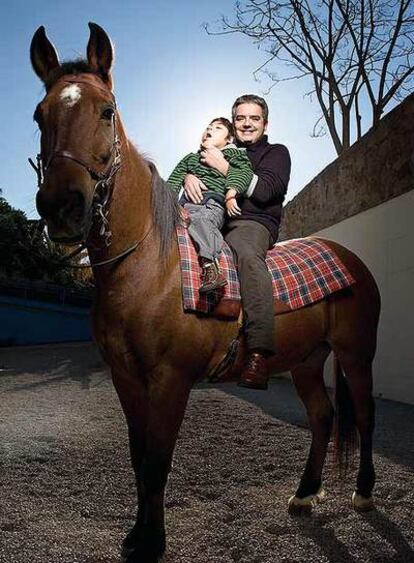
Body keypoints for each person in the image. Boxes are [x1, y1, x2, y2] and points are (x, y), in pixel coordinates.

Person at [183, 95, 291, 390]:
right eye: (241, 118)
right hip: (213, 216)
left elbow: (268, 190)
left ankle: (258, 352)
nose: (247, 123)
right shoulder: (218, 150)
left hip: (251, 222)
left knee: (246, 254)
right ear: (233, 123)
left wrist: (223, 168)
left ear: (265, 124)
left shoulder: (276, 152)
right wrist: (189, 177)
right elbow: (195, 173)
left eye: (254, 118)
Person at [168, 117, 254, 294]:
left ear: (228, 139)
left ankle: (211, 267)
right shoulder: (190, 159)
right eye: (208, 127)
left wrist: (231, 193)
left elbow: (243, 172)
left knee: (200, 221)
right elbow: (173, 182)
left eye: (217, 128)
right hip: (184, 207)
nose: (210, 129)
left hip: (211, 204)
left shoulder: (234, 155)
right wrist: (165, 204)